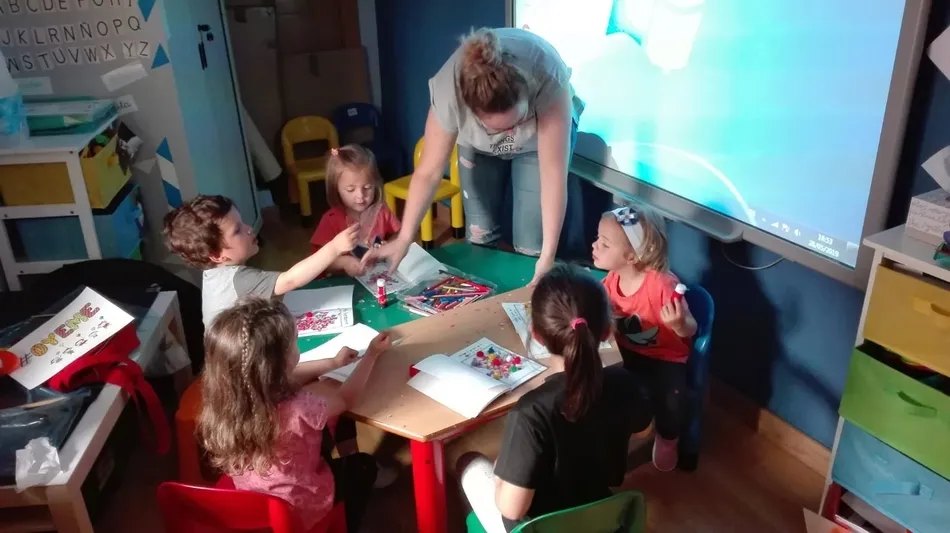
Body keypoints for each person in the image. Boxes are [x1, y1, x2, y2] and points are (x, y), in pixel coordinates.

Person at [364, 27, 585, 285]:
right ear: (471, 112)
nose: (510, 134)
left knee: (532, 245)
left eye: (516, 122)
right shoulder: (448, 93)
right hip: (477, 146)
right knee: (481, 236)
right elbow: (428, 173)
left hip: (538, 142)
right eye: (498, 129)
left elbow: (552, 175)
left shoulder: (548, 76)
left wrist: (547, 258)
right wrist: (404, 239)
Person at [457, 265, 651, 532]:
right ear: (607, 331)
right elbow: (644, 431)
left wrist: (503, 473)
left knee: (468, 462)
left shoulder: (530, 413)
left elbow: (512, 509)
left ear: (537, 335)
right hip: (600, 517)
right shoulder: (624, 381)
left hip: (540, 528)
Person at [198, 297, 391, 532]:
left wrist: (333, 362)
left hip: (253, 494)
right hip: (300, 506)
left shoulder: (226, 396)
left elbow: (285, 377)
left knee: (330, 421)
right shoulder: (300, 407)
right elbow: (345, 400)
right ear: (279, 362)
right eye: (294, 342)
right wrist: (372, 354)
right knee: (364, 466)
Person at [592, 204, 698, 471]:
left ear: (632, 256)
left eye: (605, 243)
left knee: (672, 400)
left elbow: (692, 329)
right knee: (599, 384)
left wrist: (679, 324)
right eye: (597, 238)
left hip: (664, 357)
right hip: (625, 351)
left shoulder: (662, 285)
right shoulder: (611, 280)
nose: (594, 245)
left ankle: (668, 438)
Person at [162, 194, 358, 327]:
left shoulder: (213, 274)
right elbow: (290, 280)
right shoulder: (238, 280)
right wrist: (334, 247)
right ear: (217, 255)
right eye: (237, 230)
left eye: (242, 222)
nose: (249, 229)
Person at [310, 145, 401, 276]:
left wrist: (389, 245)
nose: (360, 196)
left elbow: (398, 235)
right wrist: (344, 262)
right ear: (336, 188)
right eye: (350, 190)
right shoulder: (331, 219)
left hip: (377, 278)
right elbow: (318, 261)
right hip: (344, 283)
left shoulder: (382, 211)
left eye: (367, 187)